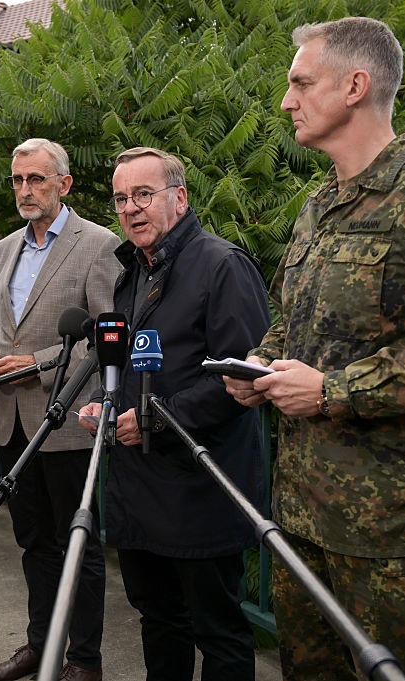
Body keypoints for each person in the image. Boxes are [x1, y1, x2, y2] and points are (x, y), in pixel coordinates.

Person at [223, 17, 405, 681]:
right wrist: (260, 365)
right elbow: (295, 321)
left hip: (389, 529)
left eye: (301, 82)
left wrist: (333, 390)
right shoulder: (318, 204)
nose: (285, 100)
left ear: (355, 85)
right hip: (302, 514)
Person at [78, 147, 270, 681]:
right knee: (158, 620)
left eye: (144, 194)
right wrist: (107, 401)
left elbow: (240, 381)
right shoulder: (130, 272)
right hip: (140, 488)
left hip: (203, 487)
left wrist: (154, 419)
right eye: (121, 199)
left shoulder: (222, 265)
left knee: (219, 632)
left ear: (179, 198)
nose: (132, 209)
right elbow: (129, 364)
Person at [0, 139, 119, 681]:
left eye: (36, 179)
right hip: (9, 420)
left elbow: (106, 339)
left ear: (64, 184)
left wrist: (33, 362)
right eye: (17, 180)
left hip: (66, 420)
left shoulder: (99, 244)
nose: (25, 190)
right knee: (32, 542)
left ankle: (84, 661)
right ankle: (40, 648)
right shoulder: (6, 246)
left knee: (77, 545)